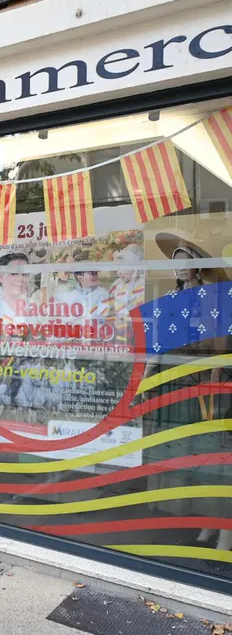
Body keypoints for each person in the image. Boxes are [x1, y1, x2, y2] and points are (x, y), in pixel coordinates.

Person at [143, 232, 231, 552]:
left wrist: (217, 370)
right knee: (188, 455)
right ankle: (207, 523)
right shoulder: (172, 298)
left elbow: (222, 340)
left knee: (212, 455)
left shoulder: (213, 298)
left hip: (205, 383)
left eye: (185, 262)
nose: (179, 268)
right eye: (175, 262)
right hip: (177, 381)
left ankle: (225, 531)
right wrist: (147, 374)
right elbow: (159, 341)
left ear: (197, 265)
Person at [105, 243, 145, 345]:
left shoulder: (142, 284)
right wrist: (114, 318)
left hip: (138, 330)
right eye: (118, 268)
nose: (119, 273)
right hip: (118, 330)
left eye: (123, 268)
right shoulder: (116, 284)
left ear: (135, 267)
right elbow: (109, 307)